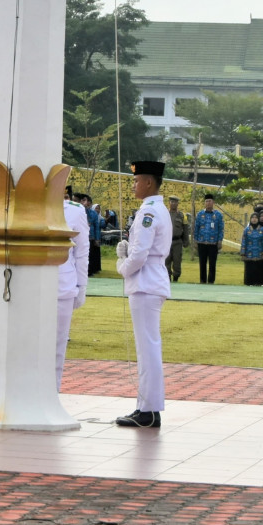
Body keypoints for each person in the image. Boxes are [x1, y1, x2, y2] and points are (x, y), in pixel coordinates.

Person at [114, 160, 171, 429]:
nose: (134, 185)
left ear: (149, 182)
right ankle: (146, 407)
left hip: (146, 282)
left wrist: (123, 267)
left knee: (147, 348)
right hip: (150, 281)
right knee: (147, 347)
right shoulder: (155, 209)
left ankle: (148, 411)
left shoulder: (149, 212)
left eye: (137, 181)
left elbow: (140, 254)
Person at [55, 187, 90, 390]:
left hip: (63, 282)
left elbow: (82, 251)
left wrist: (81, 285)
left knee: (58, 346)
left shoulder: (75, 211)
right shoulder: (30, 205)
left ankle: (54, 392)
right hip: (32, 284)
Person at [193, 193, 223, 283]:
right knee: (202, 263)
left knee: (212, 264)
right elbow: (196, 228)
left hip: (213, 243)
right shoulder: (200, 214)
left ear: (213, 202)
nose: (208, 203)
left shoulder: (218, 215)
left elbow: (221, 228)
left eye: (210, 201)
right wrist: (195, 240)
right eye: (206, 201)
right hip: (202, 242)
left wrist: (220, 240)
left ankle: (211, 281)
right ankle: (202, 281)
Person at [239, 212, 263, 285]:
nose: (254, 219)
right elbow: (244, 242)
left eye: (256, 218)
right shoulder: (246, 230)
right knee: (249, 268)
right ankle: (248, 282)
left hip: (259, 252)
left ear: (258, 219)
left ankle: (258, 283)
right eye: (252, 218)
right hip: (249, 253)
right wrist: (243, 253)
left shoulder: (262, 230)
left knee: (258, 269)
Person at [165, 195, 189, 282]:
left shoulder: (182, 215)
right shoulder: (164, 214)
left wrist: (186, 241)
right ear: (169, 203)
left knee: (177, 261)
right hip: (166, 241)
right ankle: (167, 277)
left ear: (178, 204)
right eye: (172, 202)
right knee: (166, 260)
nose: (173, 204)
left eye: (175, 202)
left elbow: (185, 229)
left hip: (177, 242)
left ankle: (176, 278)